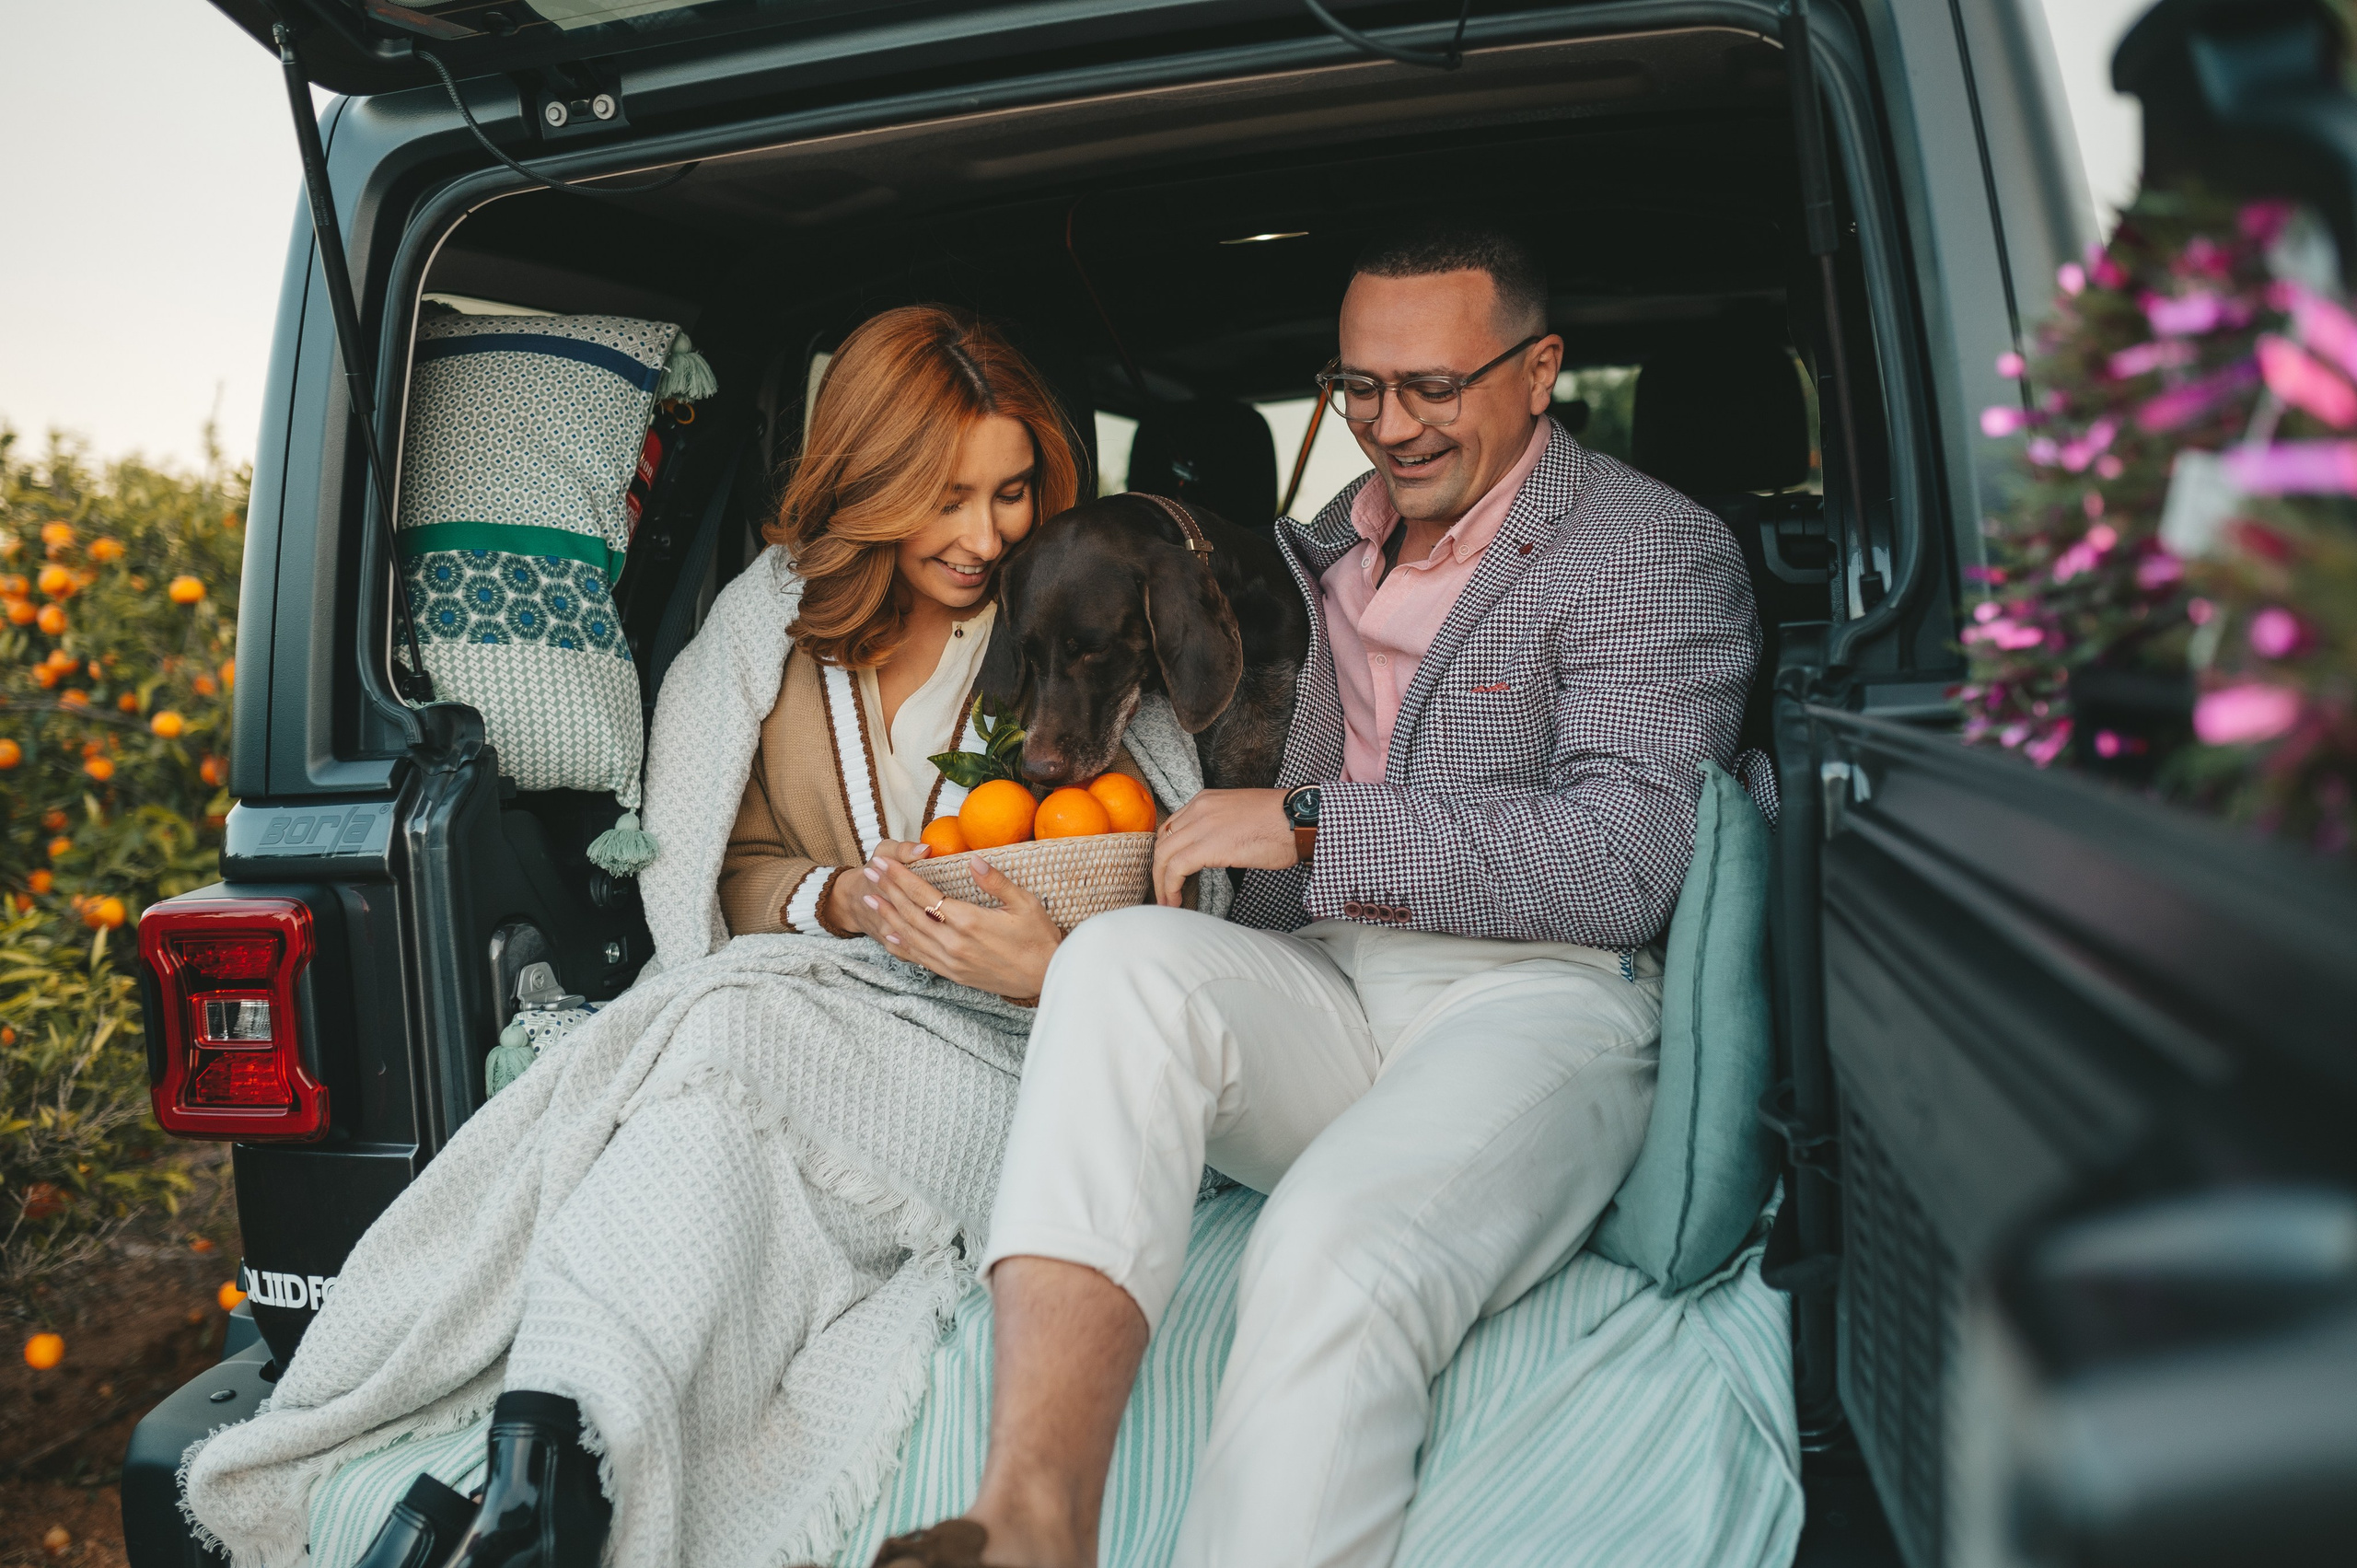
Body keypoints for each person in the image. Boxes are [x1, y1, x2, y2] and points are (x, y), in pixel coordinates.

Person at [180, 306, 1215, 1568]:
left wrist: (1047, 968)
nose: (983, 536)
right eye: (946, 497)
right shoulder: (771, 627)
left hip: (1026, 1061)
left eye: (1012, 494)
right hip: (809, 1017)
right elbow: (718, 870)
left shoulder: (1072, 617)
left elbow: (1176, 885)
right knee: (702, 1139)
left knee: (722, 1045)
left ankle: (548, 1470)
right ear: (869, 481)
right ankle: (549, 1461)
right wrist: (837, 903)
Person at [860, 226, 1762, 1568]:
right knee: (1120, 967)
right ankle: (1032, 1517)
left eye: (1433, 387)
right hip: (1328, 991)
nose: (1389, 426)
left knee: (1331, 1247)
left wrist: (1311, 824)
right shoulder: (1300, 561)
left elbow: (1631, 853)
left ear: (1539, 370)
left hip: (1539, 1002)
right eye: (1359, 388)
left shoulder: (1650, 552)